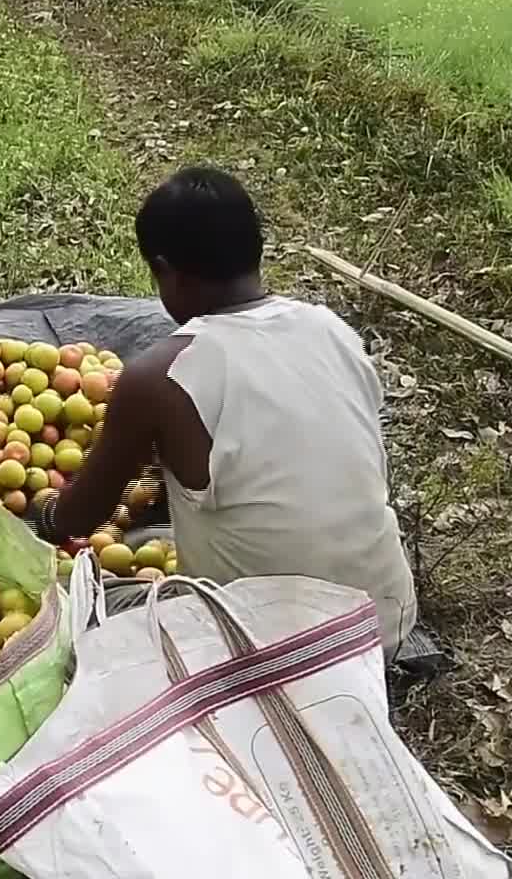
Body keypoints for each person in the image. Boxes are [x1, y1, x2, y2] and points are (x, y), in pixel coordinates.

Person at [25, 167, 418, 660]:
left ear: (166, 270)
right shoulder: (333, 330)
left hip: (270, 654)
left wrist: (43, 513)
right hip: (384, 624)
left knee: (61, 610)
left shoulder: (160, 374)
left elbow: (82, 515)